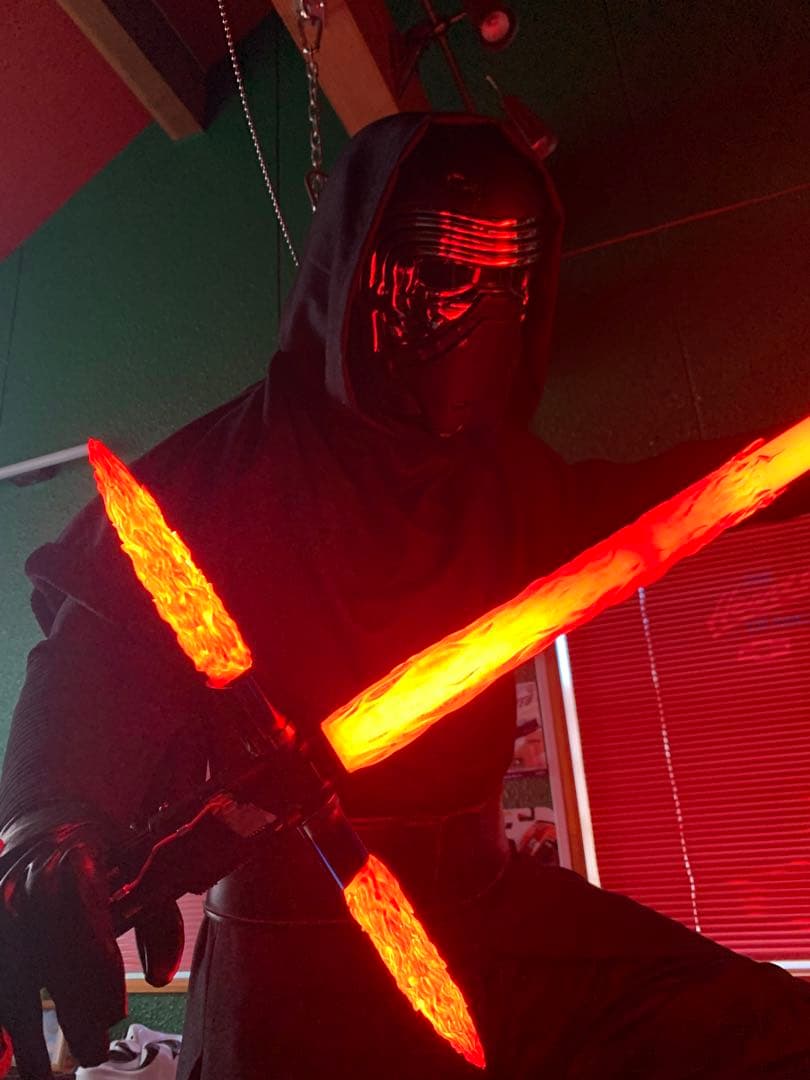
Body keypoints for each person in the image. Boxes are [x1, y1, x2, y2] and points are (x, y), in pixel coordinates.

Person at [1, 112, 809, 1080]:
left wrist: (784, 468)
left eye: (512, 281)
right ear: (363, 268)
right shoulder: (228, 475)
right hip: (290, 949)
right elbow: (97, 655)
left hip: (491, 914)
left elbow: (651, 509)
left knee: (769, 1037)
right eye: (450, 272)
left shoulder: (504, 485)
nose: (485, 310)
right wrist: (47, 825)